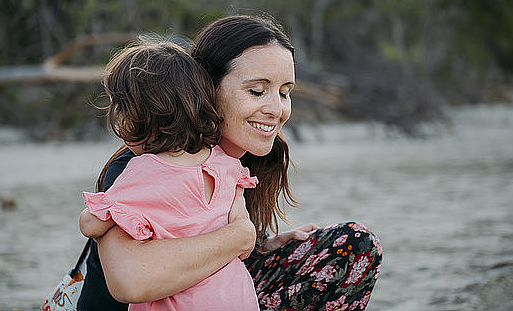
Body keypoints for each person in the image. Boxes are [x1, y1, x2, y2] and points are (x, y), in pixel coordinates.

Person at [77, 15, 382, 311]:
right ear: (206, 89)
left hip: (217, 292)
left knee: (354, 245)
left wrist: (260, 244)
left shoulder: (244, 160)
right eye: (257, 91)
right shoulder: (146, 164)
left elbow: (202, 231)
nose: (276, 109)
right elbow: (132, 281)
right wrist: (239, 237)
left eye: (285, 93)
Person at [79, 41, 260, 310]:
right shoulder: (227, 164)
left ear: (134, 117)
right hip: (237, 298)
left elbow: (92, 225)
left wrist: (89, 214)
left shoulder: (146, 172)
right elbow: (243, 236)